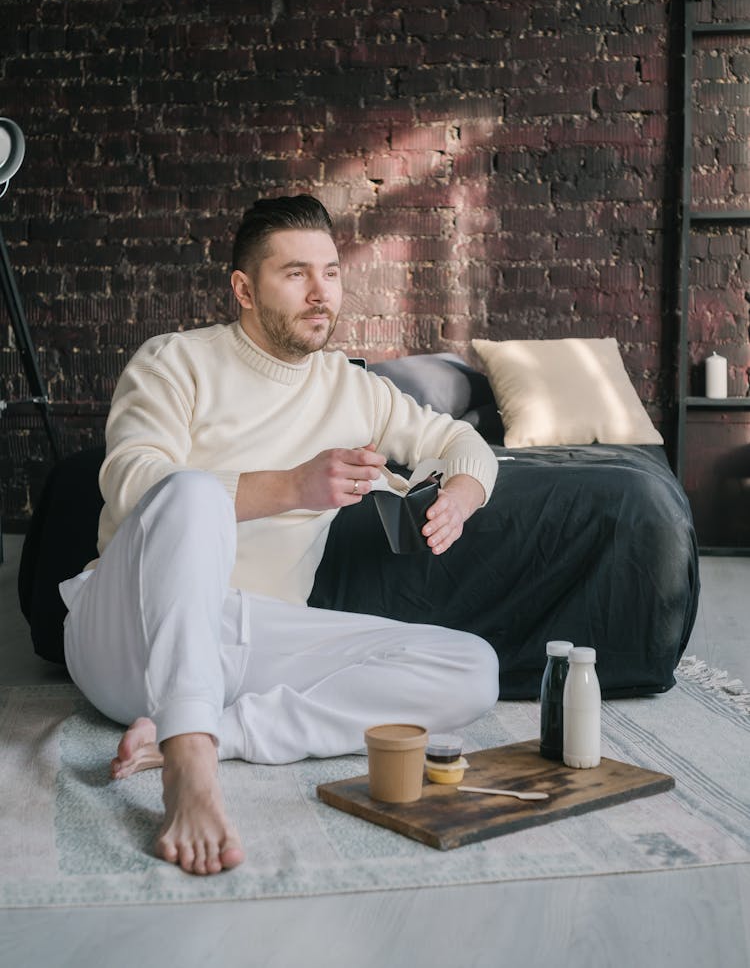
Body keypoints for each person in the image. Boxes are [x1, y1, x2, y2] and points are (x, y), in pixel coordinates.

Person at [59, 195, 500, 876]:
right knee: (193, 491)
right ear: (243, 288)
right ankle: (189, 763)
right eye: (295, 274)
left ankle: (220, 734)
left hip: (246, 642)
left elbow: (458, 440)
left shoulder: (353, 389)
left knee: (473, 670)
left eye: (330, 272)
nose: (321, 293)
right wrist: (291, 487)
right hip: (129, 633)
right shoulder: (174, 361)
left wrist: (463, 495)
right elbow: (133, 478)